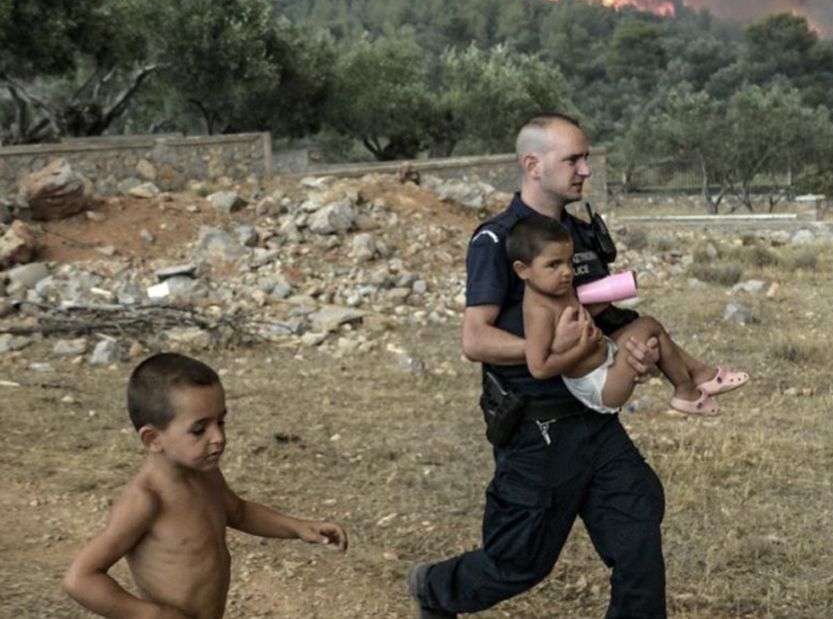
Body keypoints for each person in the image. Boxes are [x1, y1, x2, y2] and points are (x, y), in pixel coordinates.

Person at [407, 114, 670, 619]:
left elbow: (601, 320)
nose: (585, 170)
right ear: (533, 164)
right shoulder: (498, 241)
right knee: (518, 563)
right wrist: (544, 348)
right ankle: (435, 588)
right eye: (573, 159)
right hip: (537, 431)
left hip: (595, 422)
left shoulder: (579, 237)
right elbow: (475, 338)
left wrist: (634, 350)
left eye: (585, 157)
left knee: (638, 539)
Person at [63, 353, 347, 619]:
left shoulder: (206, 474)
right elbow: (81, 579)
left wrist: (297, 527)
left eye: (221, 422)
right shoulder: (146, 500)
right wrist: (151, 615)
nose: (218, 437)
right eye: (199, 429)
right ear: (152, 439)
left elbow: (238, 511)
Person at [508, 211, 708, 414]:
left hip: (606, 357)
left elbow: (579, 310)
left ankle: (696, 375)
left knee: (648, 328)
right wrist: (582, 349)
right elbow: (539, 368)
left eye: (569, 262)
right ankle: (686, 391)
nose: (567, 271)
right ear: (523, 270)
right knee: (649, 326)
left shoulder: (556, 287)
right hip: (600, 384)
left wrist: (613, 290)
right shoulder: (539, 311)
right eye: (554, 265)